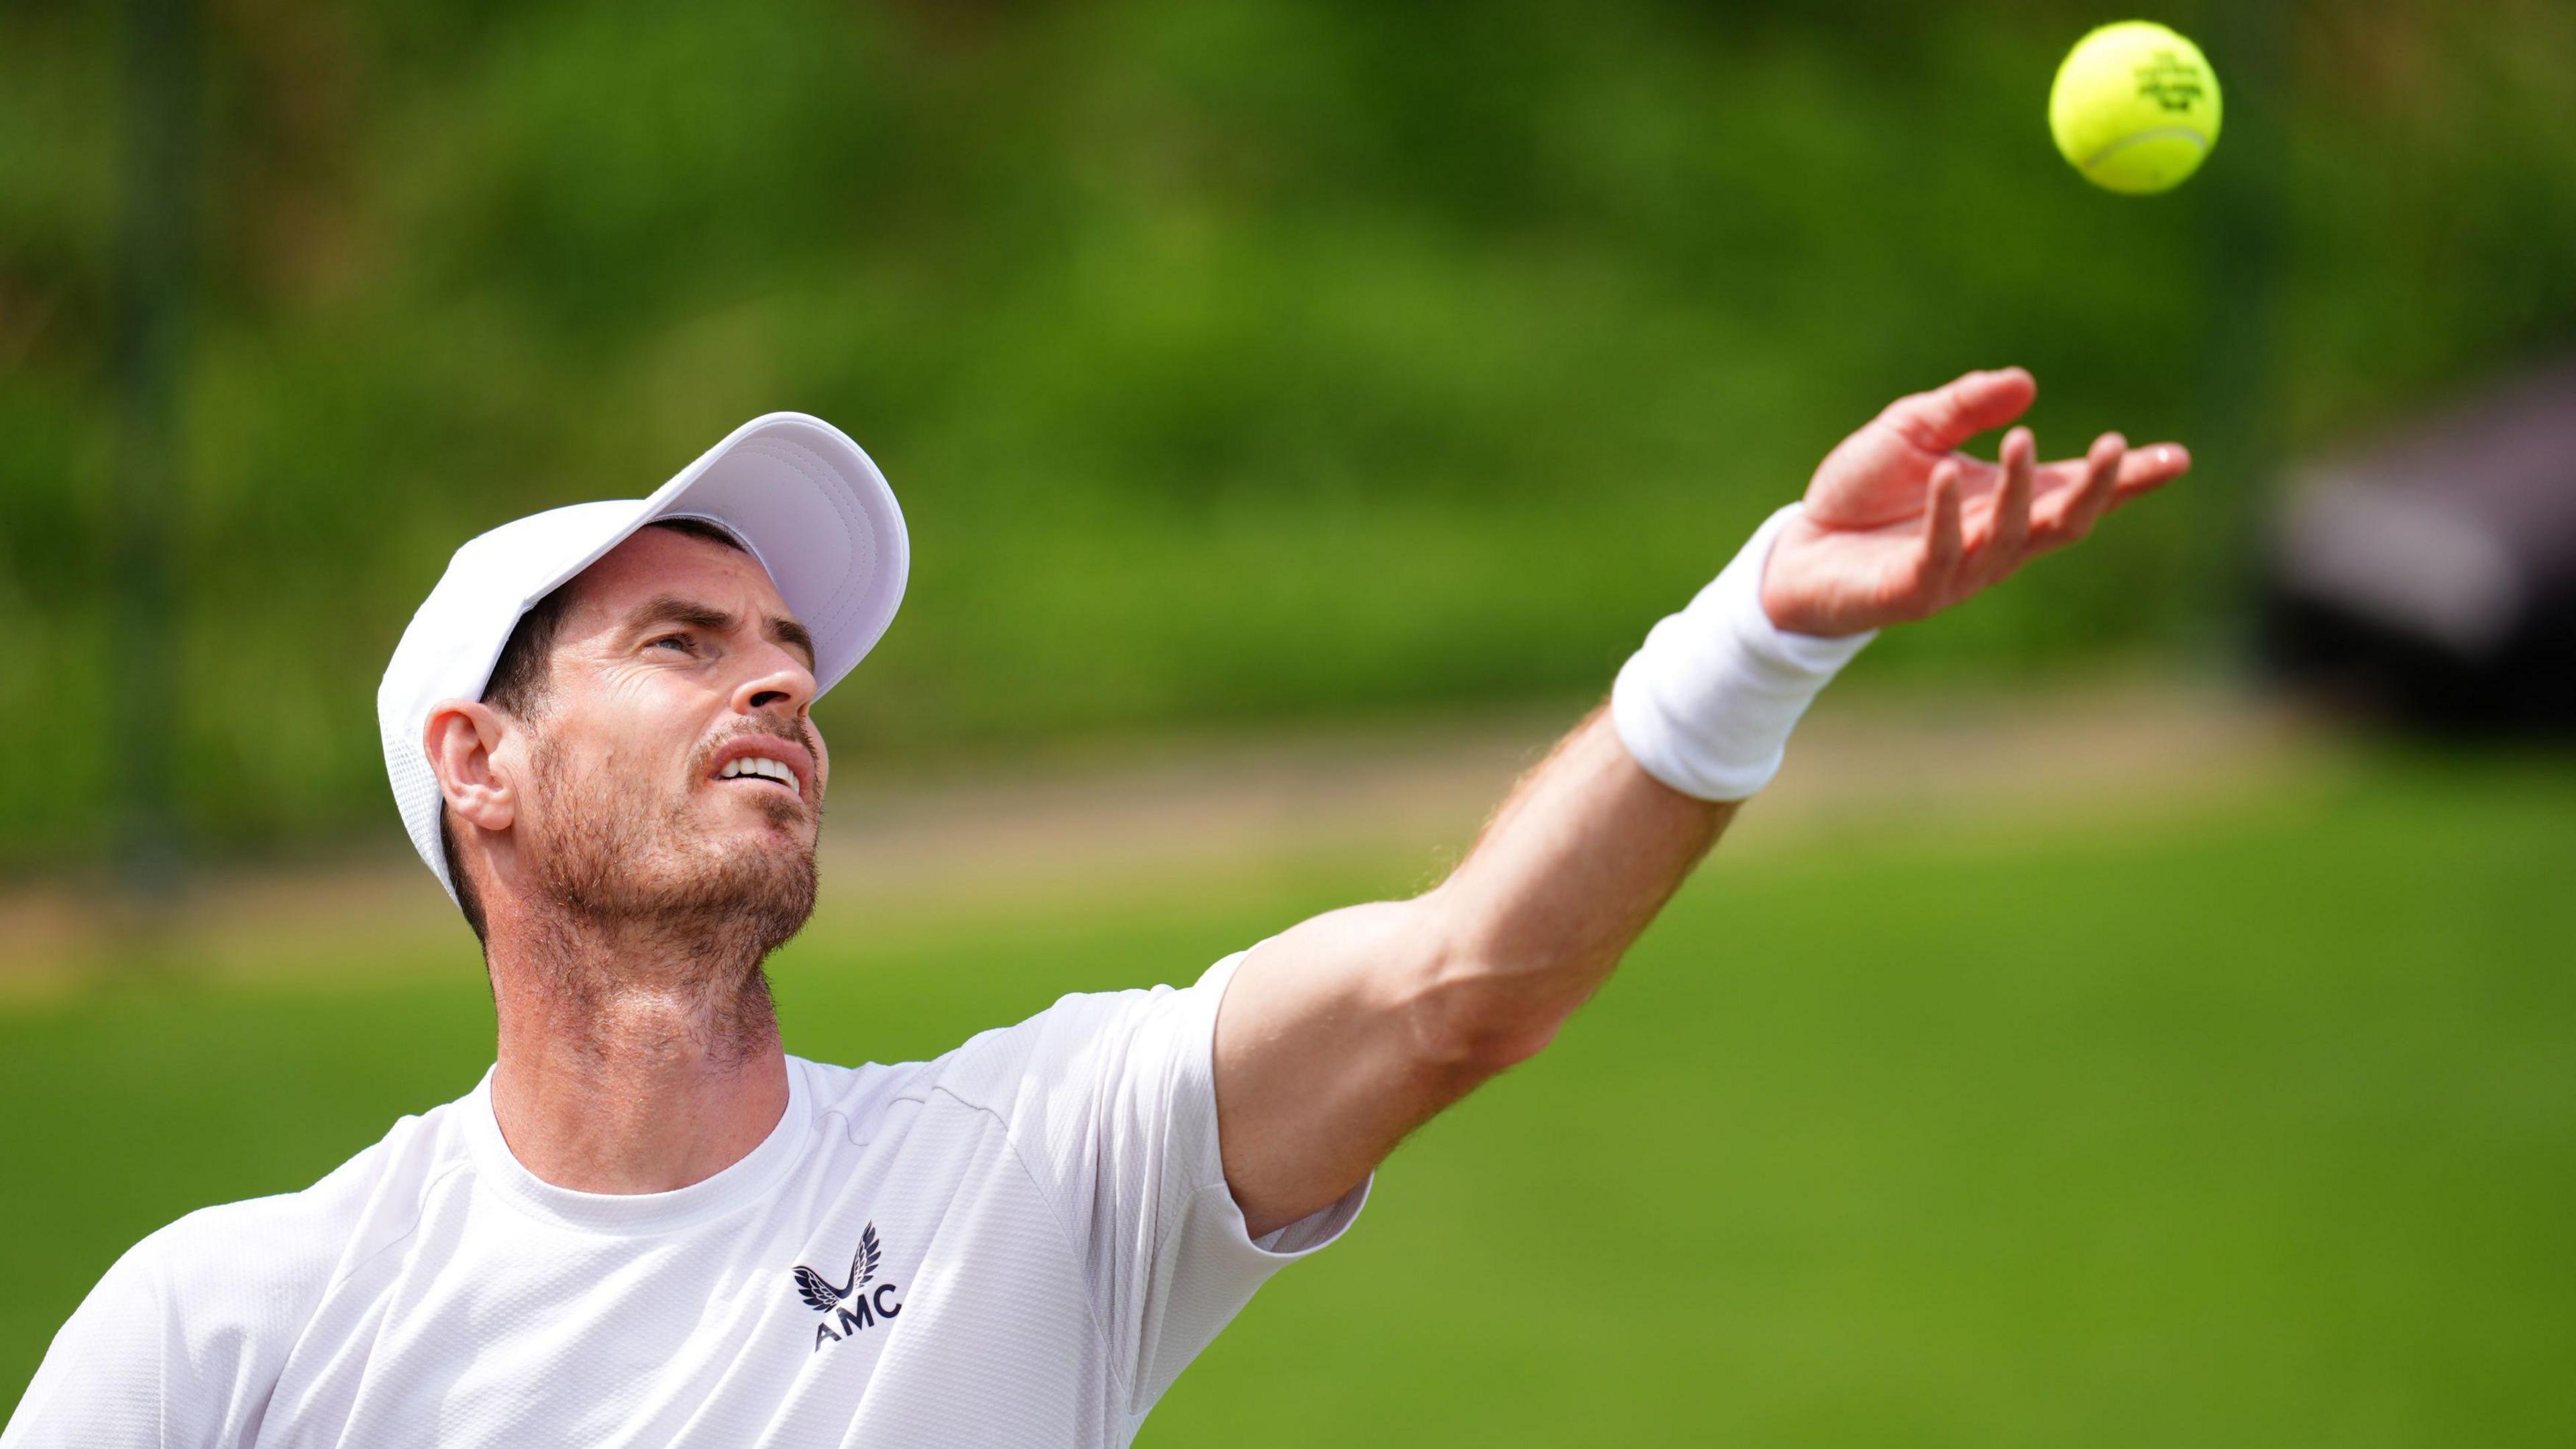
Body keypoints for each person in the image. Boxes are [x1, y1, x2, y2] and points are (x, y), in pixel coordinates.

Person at [3, 371, 2185, 1448]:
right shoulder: (234, 1333)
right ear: (477, 768)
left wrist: (1757, 635)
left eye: (791, 650)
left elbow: (1453, 985)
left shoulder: (1035, 1170)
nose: (777, 676)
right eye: (679, 643)